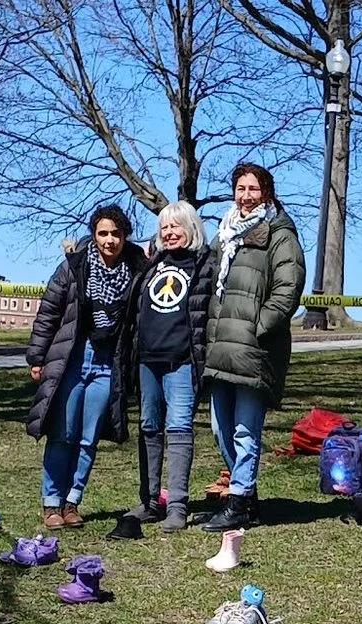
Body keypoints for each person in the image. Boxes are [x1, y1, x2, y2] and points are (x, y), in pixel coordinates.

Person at [26, 204, 147, 529]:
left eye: (116, 234)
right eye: (103, 233)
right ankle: (51, 504)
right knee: (62, 434)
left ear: (125, 236)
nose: (109, 240)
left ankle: (72, 503)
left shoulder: (137, 270)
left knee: (88, 438)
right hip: (73, 359)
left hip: (109, 364)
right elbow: (49, 311)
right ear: (94, 235)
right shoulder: (74, 266)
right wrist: (37, 357)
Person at [200, 163, 306, 530]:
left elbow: (288, 288)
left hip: (253, 349)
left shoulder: (280, 234)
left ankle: (240, 500)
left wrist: (259, 327)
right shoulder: (224, 234)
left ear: (267, 193)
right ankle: (246, 494)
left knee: (245, 430)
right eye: (241, 189)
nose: (246, 196)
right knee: (220, 428)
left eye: (253, 189)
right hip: (220, 348)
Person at [131, 201, 216, 531]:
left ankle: (177, 506)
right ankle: (150, 502)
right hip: (147, 360)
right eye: (164, 227)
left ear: (191, 228)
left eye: (175, 226)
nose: (169, 232)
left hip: (182, 361)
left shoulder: (205, 263)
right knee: (149, 427)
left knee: (179, 428)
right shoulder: (152, 264)